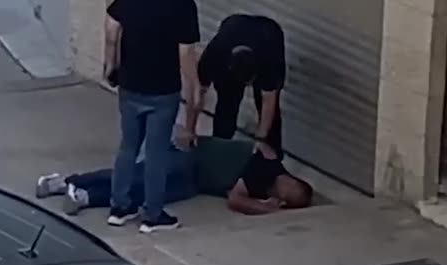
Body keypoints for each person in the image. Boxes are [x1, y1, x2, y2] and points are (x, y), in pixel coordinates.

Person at [36, 137, 313, 230]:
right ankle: (66, 181)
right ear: (291, 181)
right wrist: (269, 210)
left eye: (289, 203)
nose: (285, 199)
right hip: (189, 155)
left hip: (197, 181)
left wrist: (265, 203)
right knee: (138, 175)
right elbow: (236, 200)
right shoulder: (265, 168)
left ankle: (86, 196)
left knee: (153, 195)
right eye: (290, 195)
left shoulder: (268, 183)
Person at [103, 0, 201, 232]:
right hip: (163, 90)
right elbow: (185, 52)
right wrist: (194, 87)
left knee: (128, 146)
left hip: (130, 85)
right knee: (157, 154)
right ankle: (152, 215)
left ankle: (119, 208)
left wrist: (110, 65)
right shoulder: (183, 5)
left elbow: (111, 29)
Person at [192, 14, 286, 160]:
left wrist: (260, 140)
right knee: (226, 101)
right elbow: (198, 92)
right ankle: (219, 148)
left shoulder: (269, 59)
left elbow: (269, 100)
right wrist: (189, 129)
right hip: (233, 25)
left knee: (266, 109)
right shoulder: (216, 53)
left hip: (270, 33)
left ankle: (270, 155)